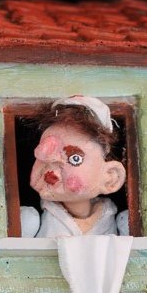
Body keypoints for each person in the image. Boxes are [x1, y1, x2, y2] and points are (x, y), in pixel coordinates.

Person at [21, 95, 129, 237]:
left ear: (110, 176)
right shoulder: (29, 220)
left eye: (75, 159)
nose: (51, 171)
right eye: (44, 156)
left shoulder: (123, 222)